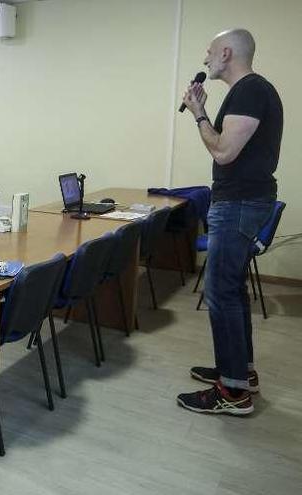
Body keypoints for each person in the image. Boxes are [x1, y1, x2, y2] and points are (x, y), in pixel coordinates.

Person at [176, 29, 282, 416]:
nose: (205, 61)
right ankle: (239, 373)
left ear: (226, 52)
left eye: (209, 53)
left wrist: (199, 112)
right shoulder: (250, 92)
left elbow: (223, 151)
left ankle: (233, 393)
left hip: (238, 203)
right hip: (240, 201)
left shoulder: (250, 90)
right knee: (231, 292)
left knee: (221, 294)